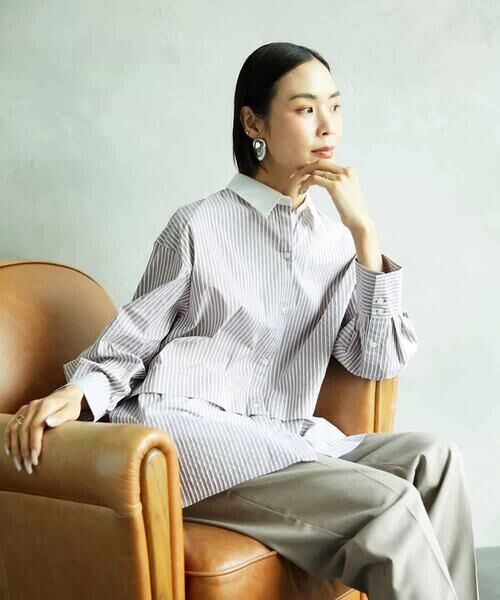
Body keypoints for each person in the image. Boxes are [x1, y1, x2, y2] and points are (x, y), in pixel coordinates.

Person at [3, 42, 479, 599]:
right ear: (254, 123)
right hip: (193, 434)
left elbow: (375, 359)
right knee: (390, 506)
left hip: (282, 433)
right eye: (305, 109)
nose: (327, 125)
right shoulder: (198, 226)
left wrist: (365, 237)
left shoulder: (335, 243)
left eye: (334, 106)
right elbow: (133, 338)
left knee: (434, 462)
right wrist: (76, 393)